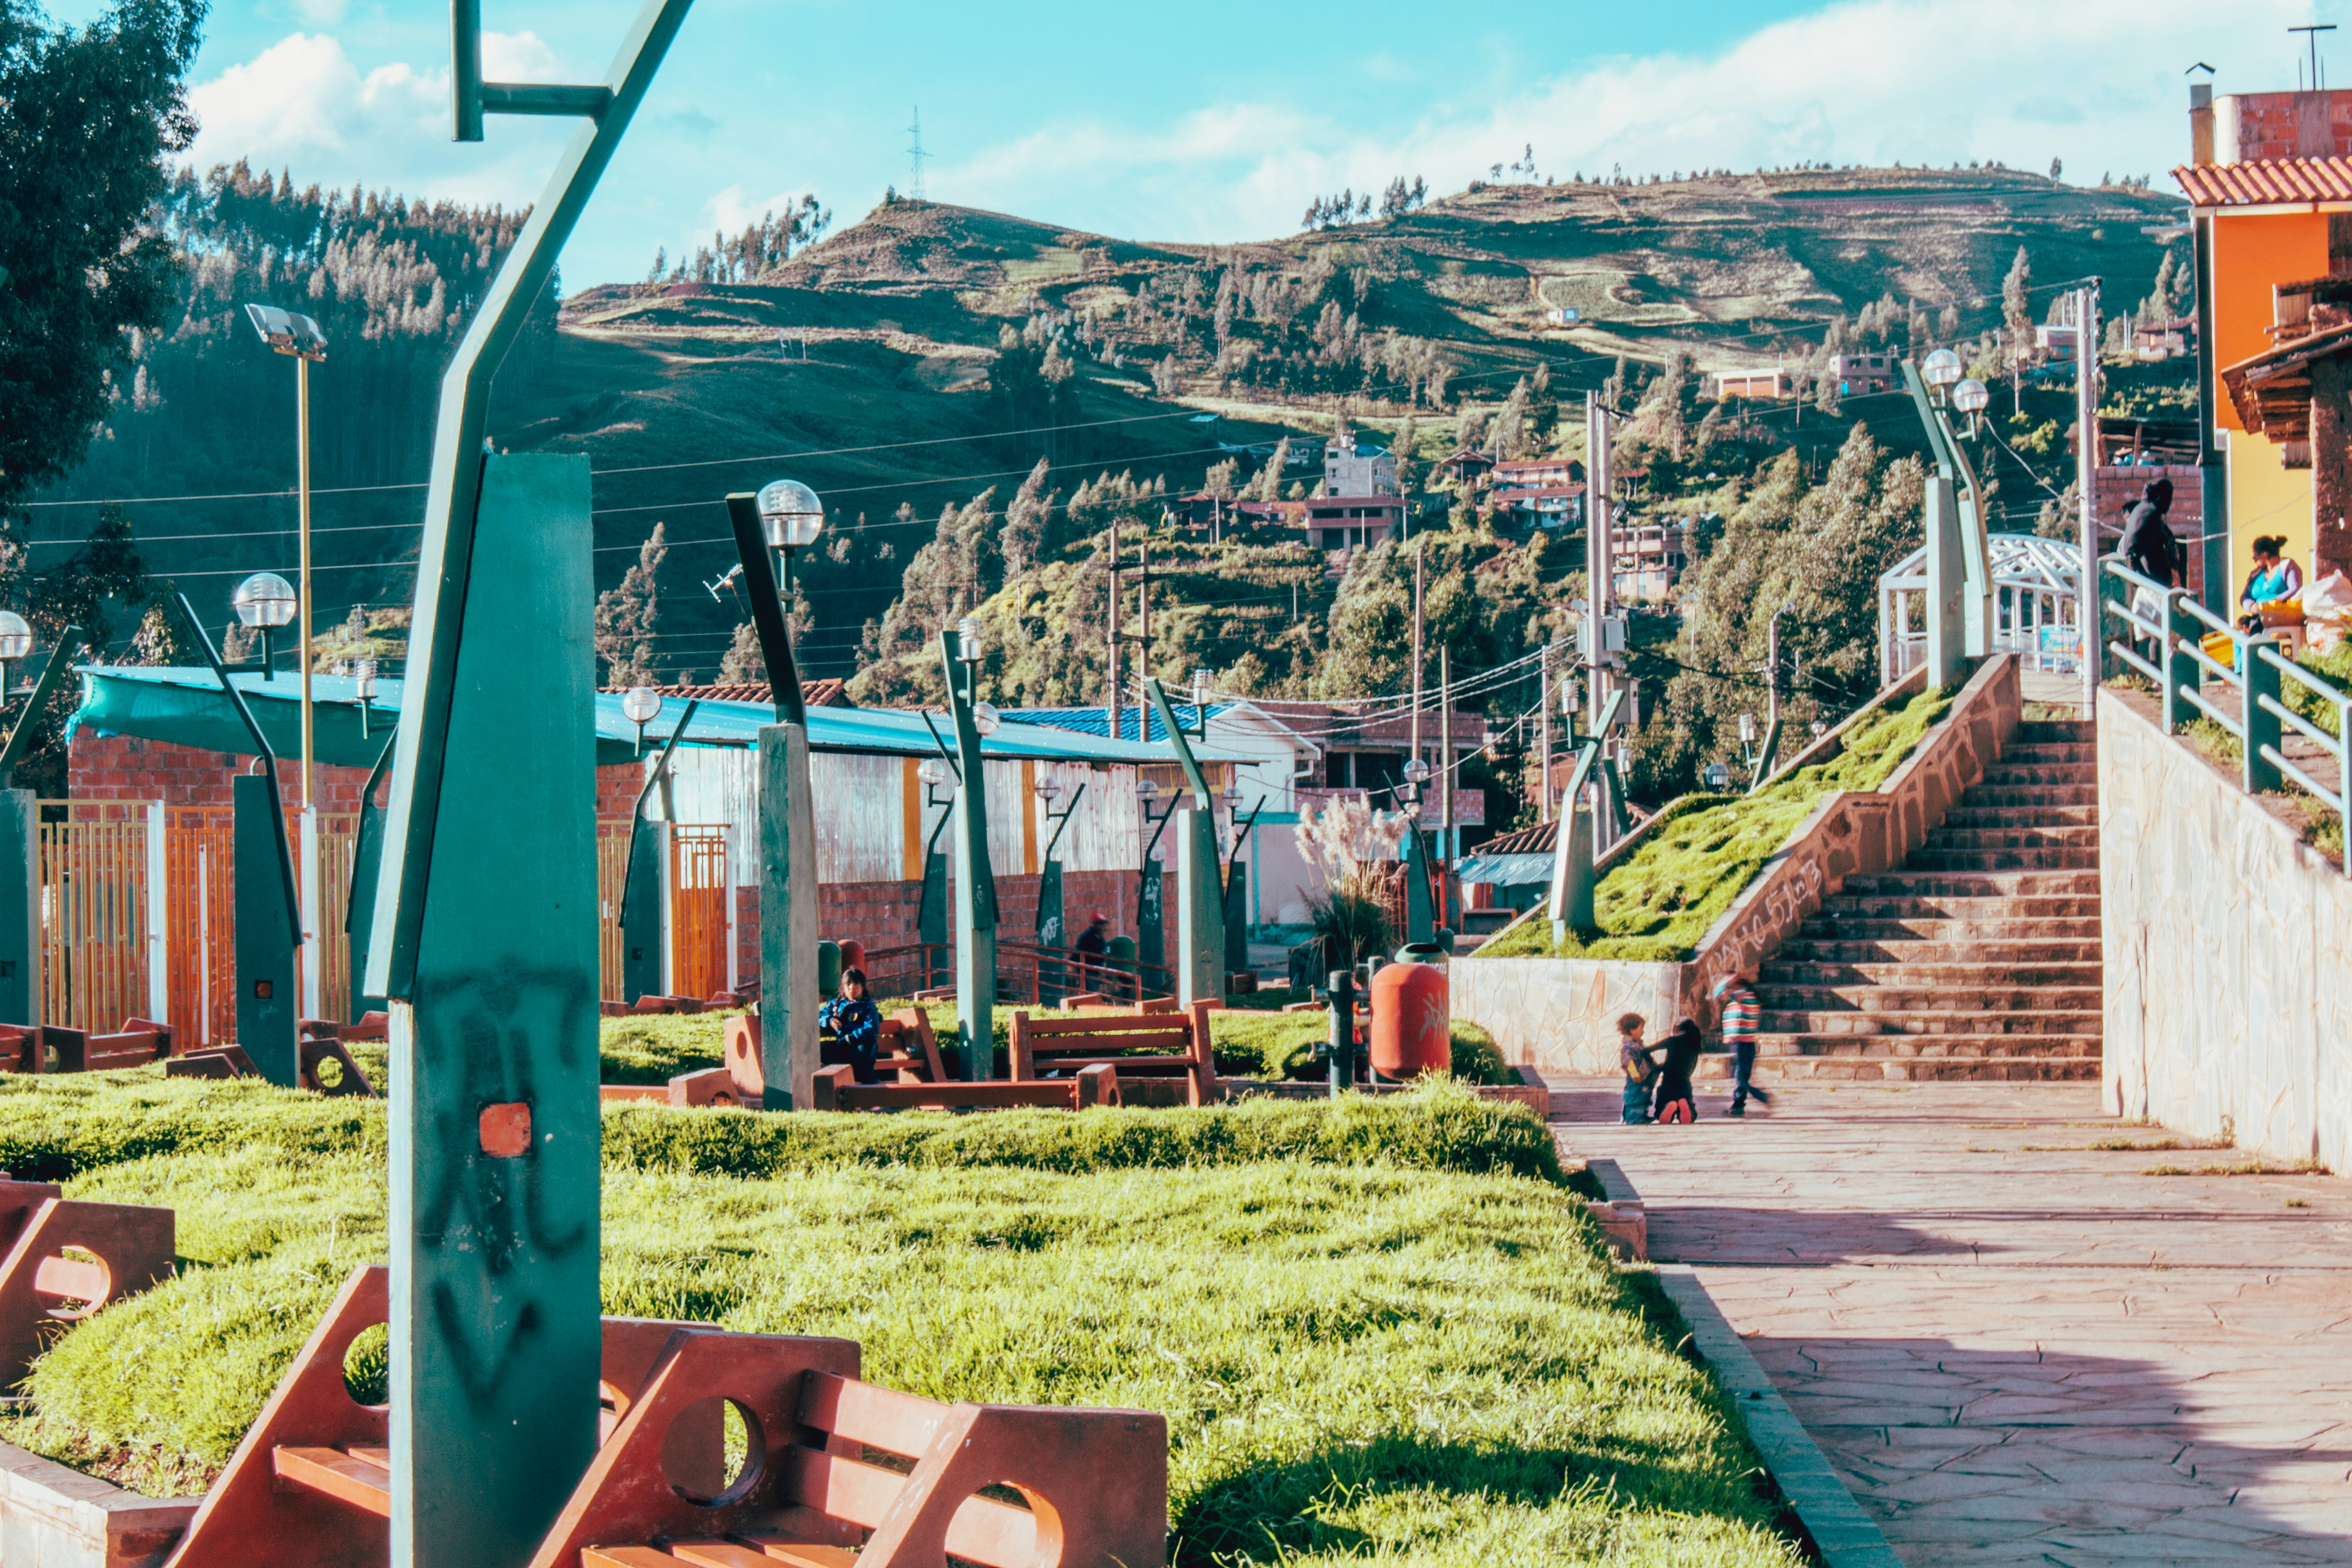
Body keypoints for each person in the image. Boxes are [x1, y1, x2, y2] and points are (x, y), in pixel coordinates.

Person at [1714, 970, 1772, 1117]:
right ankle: (1738, 1107)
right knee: (1741, 1076)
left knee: (1741, 1078)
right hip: (1745, 1043)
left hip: (1742, 1044)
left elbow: (1717, 993)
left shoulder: (1743, 996)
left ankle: (1761, 1097)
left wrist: (1727, 982)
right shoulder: (1747, 996)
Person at [817, 967, 883, 1085]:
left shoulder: (868, 1005)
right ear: (843, 987)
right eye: (848, 984)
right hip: (842, 1048)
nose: (852, 988)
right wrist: (831, 1020)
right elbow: (820, 1014)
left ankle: (871, 1086)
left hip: (861, 1048)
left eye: (856, 984)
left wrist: (851, 1037)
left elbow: (871, 1028)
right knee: (820, 1051)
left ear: (863, 987)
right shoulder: (838, 1004)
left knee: (861, 1057)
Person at [2122, 477, 2181, 588]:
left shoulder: (2143, 509)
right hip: (2153, 582)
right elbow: (2135, 550)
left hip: (2145, 579)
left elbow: (2169, 540)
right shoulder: (2151, 513)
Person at [2239, 534, 2305, 635]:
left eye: (2256, 555)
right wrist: (2252, 606)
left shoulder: (2287, 566)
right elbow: (2244, 597)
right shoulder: (2255, 574)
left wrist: (2271, 604)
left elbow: (2295, 588)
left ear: (2265, 555)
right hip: (2258, 621)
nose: (2254, 558)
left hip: (2281, 620)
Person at [1651, 1019, 1703, 1125]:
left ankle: (1667, 1106)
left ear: (1677, 1030)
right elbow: (1691, 1069)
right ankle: (1687, 1108)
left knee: (1662, 1106)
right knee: (1688, 1106)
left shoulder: (1672, 1041)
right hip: (1685, 1086)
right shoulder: (1695, 1043)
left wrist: (1656, 1066)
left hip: (1668, 1085)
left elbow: (1649, 1050)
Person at [1616, 1012, 1656, 1125]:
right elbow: (1629, 1062)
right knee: (1635, 1098)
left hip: (1643, 1079)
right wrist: (1635, 1074)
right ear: (1633, 1030)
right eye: (1641, 1028)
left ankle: (1642, 1115)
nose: (1643, 1032)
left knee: (1644, 1097)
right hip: (1636, 1080)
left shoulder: (1636, 1044)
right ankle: (1633, 1118)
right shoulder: (1629, 1047)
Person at [1073, 911, 1110, 990]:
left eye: (1103, 924)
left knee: (1094, 992)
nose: (1103, 927)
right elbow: (1077, 954)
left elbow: (1102, 954)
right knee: (1090, 992)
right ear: (1095, 925)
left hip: (1096, 971)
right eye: (1100, 924)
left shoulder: (1101, 939)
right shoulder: (1087, 937)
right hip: (1087, 971)